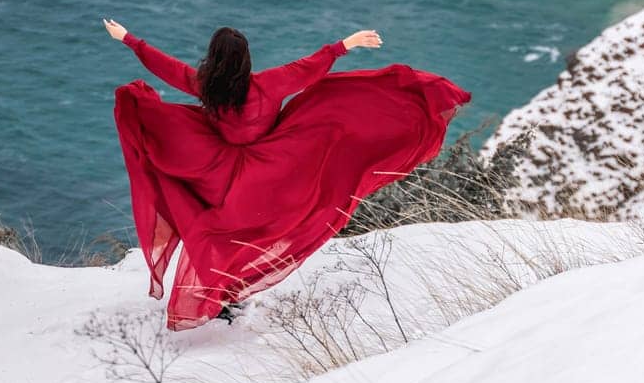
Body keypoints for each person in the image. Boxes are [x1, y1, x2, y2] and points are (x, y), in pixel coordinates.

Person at [105, 18, 470, 330]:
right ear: (246, 60)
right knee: (281, 222)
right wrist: (348, 43)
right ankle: (229, 296)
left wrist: (128, 39)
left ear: (213, 60)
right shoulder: (269, 84)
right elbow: (313, 65)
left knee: (214, 235)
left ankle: (223, 299)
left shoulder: (204, 85)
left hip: (215, 171)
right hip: (270, 170)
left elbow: (163, 65)